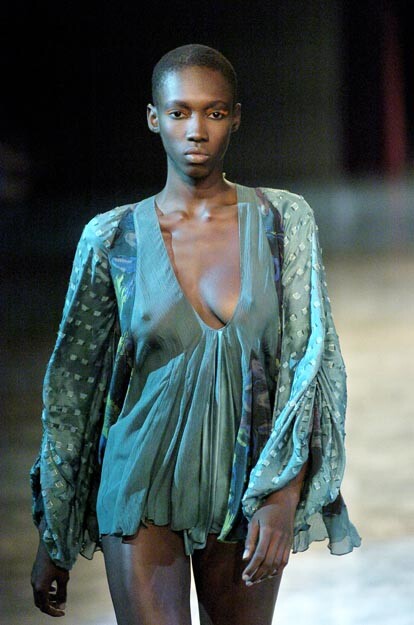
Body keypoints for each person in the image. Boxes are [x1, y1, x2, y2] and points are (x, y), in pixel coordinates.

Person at [30, 43, 361, 625]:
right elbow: (73, 395)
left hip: (247, 484)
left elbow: (311, 365)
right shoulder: (111, 239)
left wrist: (282, 494)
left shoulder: (283, 221)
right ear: (153, 118)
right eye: (179, 112)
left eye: (214, 112)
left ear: (236, 117)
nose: (196, 130)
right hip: (139, 483)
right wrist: (52, 538)